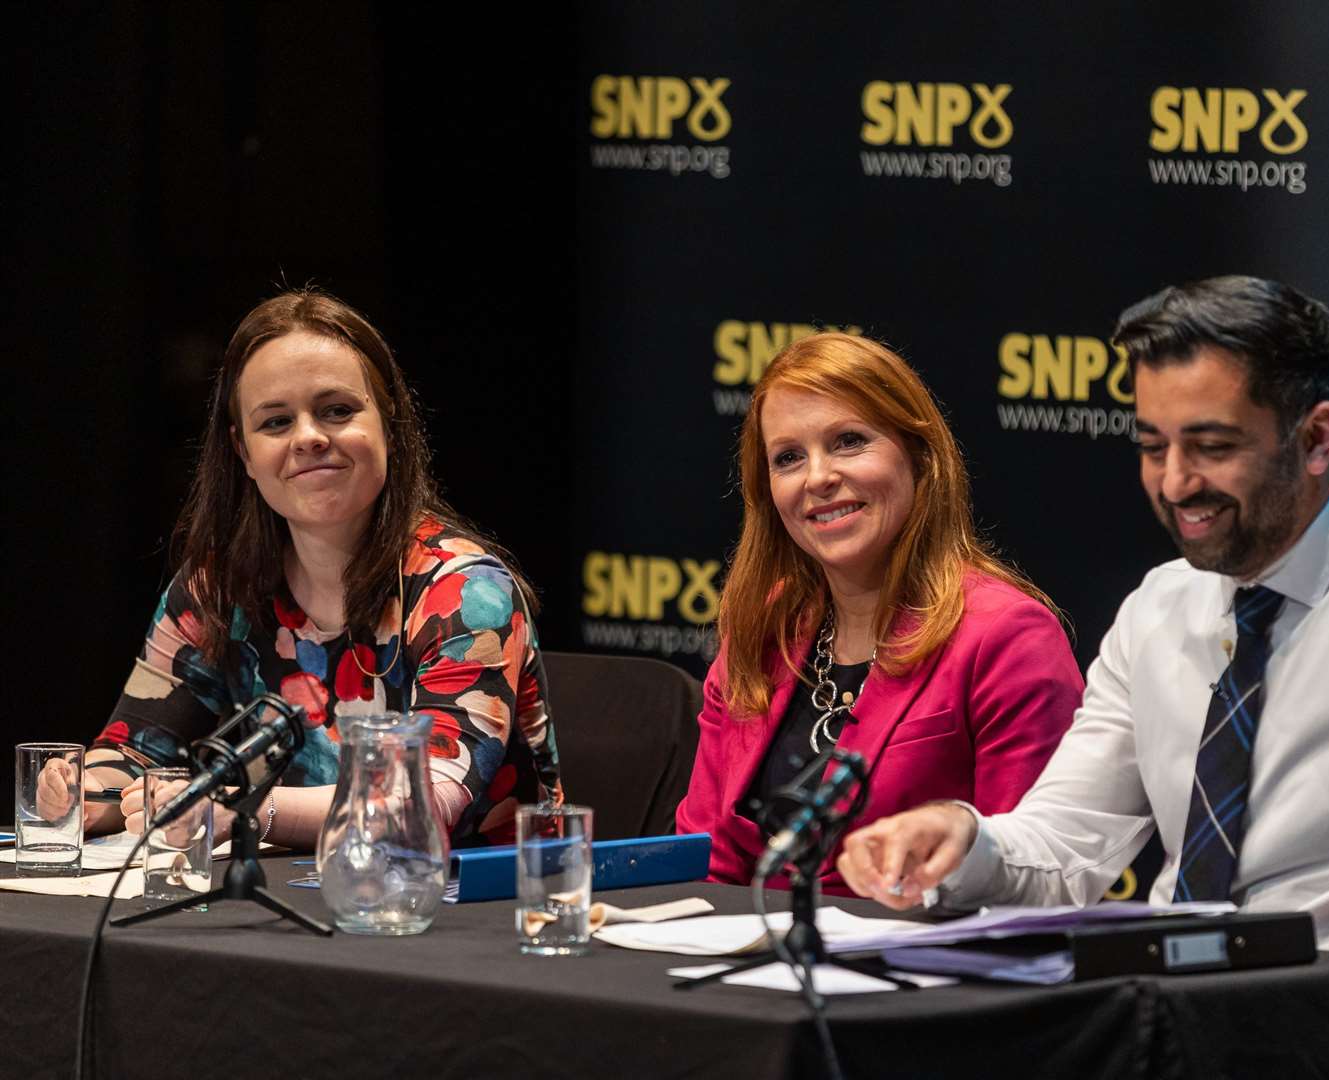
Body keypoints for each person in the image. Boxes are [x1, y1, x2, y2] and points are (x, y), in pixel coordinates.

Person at [836, 276, 1329, 1077]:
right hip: (1163, 1044)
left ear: (1316, 439)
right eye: (1151, 446)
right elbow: (1069, 845)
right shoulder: (1161, 607)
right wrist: (965, 842)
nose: (1175, 483)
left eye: (1212, 447)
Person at [74, 289, 562, 849]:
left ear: (391, 423)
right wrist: (86, 793)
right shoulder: (214, 587)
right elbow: (135, 748)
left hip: (473, 914)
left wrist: (248, 809)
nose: (308, 437)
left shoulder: (469, 591)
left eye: (336, 411)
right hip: (296, 903)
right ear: (243, 453)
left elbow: (427, 797)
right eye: (276, 422)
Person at [675, 332, 1084, 895]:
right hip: (749, 965)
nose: (817, 477)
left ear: (918, 456)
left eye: (848, 442)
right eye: (789, 457)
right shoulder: (762, 629)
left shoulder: (1007, 636)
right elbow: (707, 863)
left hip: (924, 969)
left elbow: (1029, 875)